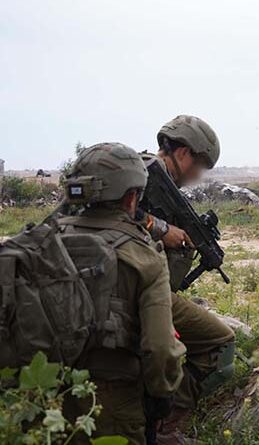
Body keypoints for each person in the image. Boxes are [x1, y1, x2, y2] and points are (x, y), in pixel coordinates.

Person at [59, 143, 186, 444]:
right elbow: (160, 349)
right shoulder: (143, 256)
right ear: (132, 197)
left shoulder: (44, 241)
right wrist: (162, 396)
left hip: (44, 397)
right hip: (112, 406)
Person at [137, 115, 235, 443]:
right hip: (140, 291)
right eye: (201, 167)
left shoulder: (144, 176)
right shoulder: (145, 174)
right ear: (183, 155)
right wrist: (161, 229)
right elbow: (113, 214)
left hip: (136, 287)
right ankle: (166, 428)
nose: (198, 177)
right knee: (220, 342)